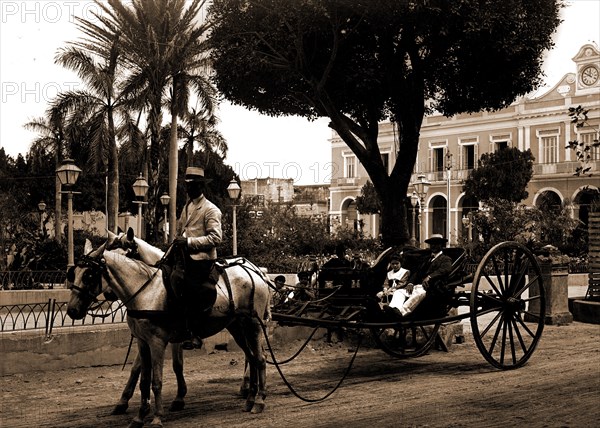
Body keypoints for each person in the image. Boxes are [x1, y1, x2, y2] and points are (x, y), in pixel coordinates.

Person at [170, 166, 223, 349]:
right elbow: (180, 231)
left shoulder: (210, 210)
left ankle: (194, 332)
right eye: (187, 186)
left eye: (192, 186)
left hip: (202, 259)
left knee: (189, 286)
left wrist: (189, 242)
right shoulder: (187, 206)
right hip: (183, 256)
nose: (188, 189)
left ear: (201, 187)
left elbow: (216, 238)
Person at [384, 234, 452, 319]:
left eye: (436, 244)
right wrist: (410, 283)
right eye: (432, 244)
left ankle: (401, 313)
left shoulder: (445, 259)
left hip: (432, 287)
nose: (433, 246)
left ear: (441, 245)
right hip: (418, 286)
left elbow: (445, 270)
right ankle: (394, 309)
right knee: (399, 292)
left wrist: (430, 277)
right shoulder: (427, 259)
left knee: (418, 293)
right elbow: (417, 272)